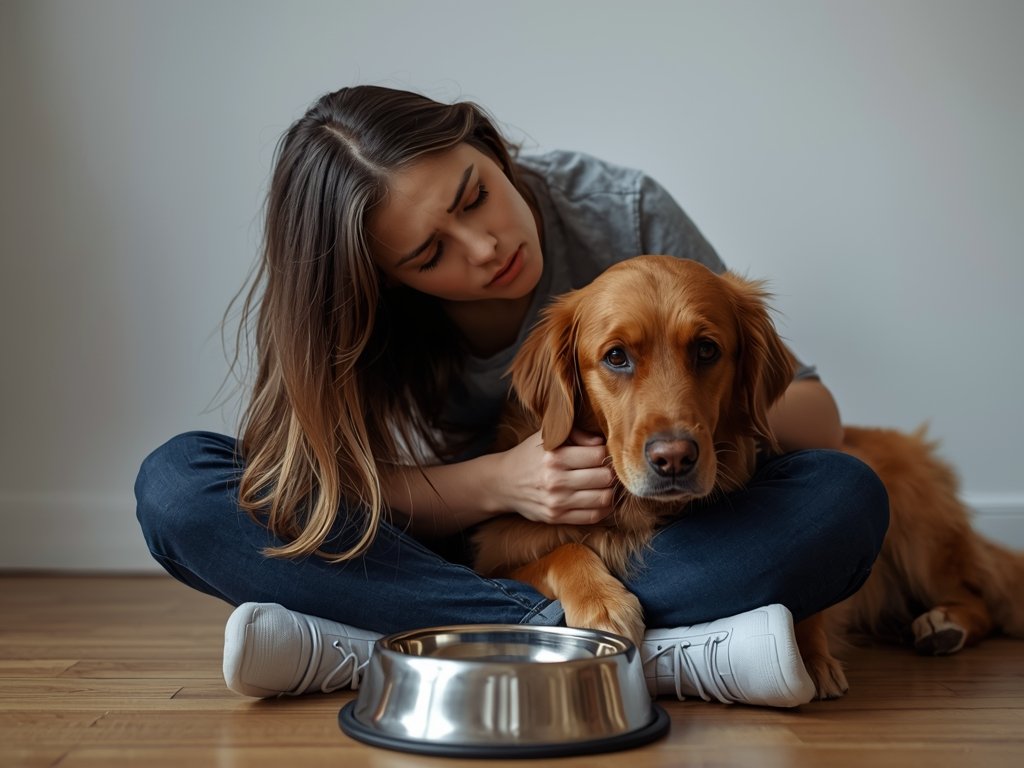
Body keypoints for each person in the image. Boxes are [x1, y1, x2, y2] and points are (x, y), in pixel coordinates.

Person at [134, 85, 889, 708]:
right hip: (441, 548)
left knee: (843, 494)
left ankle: (384, 650)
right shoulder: (357, 316)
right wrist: (501, 482)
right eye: (431, 253)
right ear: (386, 278)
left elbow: (815, 421)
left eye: (476, 196)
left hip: (653, 543)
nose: (486, 247)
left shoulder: (620, 211)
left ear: (489, 149)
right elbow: (324, 491)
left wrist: (700, 416)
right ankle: (659, 655)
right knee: (177, 489)